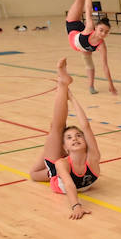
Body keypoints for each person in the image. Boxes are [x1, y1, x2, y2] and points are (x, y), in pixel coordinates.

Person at [28, 58, 101, 219]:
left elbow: (86, 127)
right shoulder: (61, 163)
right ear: (65, 148)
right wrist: (76, 206)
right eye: (69, 138)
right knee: (56, 128)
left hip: (53, 175)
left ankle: (63, 84)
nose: (75, 138)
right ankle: (63, 83)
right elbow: (68, 184)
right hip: (59, 172)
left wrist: (73, 98)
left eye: (78, 136)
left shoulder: (93, 157)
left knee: (34, 173)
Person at [64, 0, 117, 96]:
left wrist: (111, 85)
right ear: (96, 28)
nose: (103, 34)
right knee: (79, 0)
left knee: (89, 63)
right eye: (101, 30)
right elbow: (88, 8)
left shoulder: (101, 45)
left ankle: (91, 86)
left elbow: (105, 66)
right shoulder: (89, 27)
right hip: (74, 26)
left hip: (83, 46)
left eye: (106, 32)